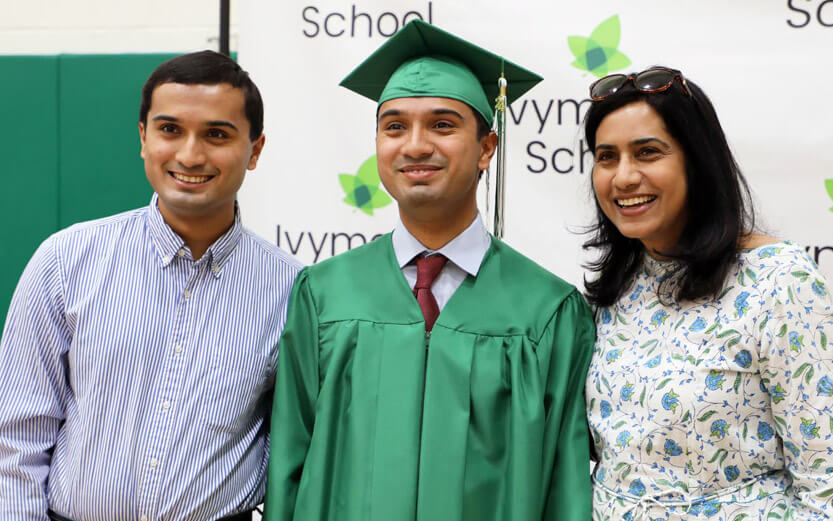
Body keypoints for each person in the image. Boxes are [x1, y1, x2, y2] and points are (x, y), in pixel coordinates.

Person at [264, 20, 595, 521]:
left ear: (487, 148)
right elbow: (289, 464)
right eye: (394, 126)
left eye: (443, 125)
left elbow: (565, 486)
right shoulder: (324, 293)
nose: (415, 146)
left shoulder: (548, 310)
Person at [0, 51, 301, 521]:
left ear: (255, 149)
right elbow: (16, 437)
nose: (190, 155)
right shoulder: (65, 261)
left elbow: (292, 449)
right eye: (170, 130)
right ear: (143, 138)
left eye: (217, 135)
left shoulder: (293, 290)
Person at [583, 67, 833, 520]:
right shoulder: (619, 285)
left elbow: (826, 485)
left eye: (647, 153)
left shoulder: (778, 281)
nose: (623, 177)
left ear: (697, 161)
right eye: (606, 156)